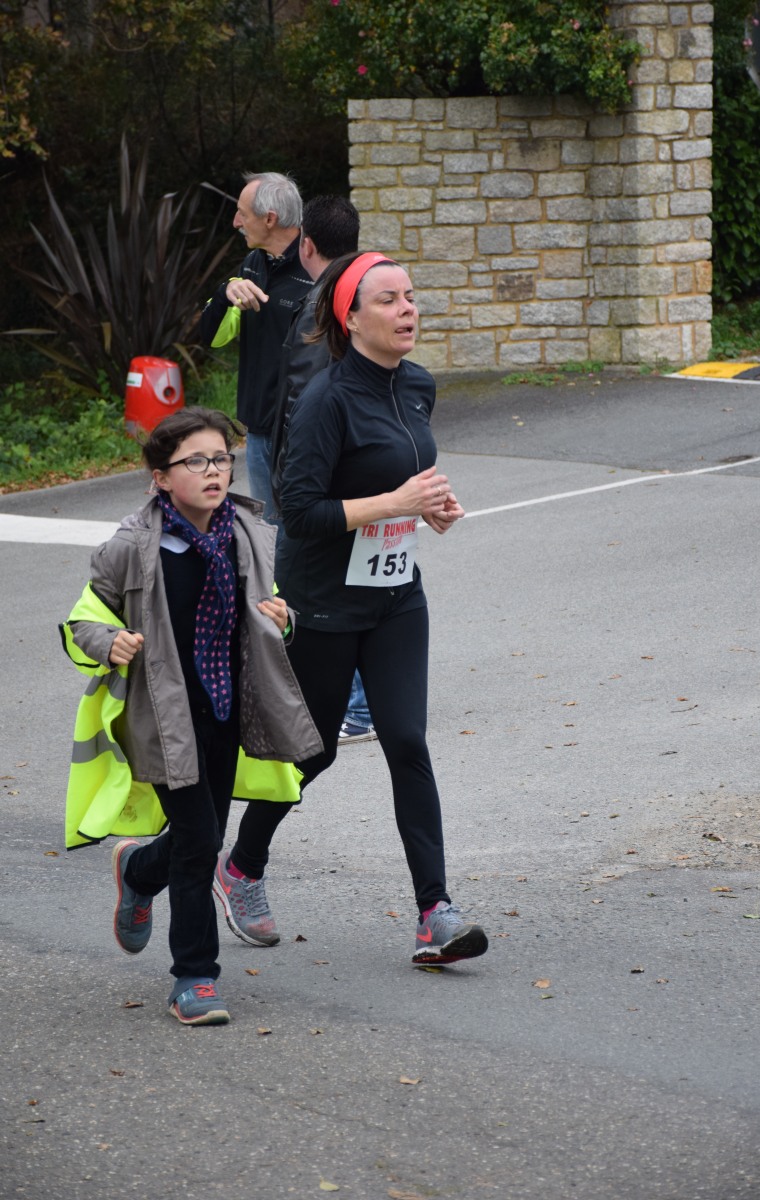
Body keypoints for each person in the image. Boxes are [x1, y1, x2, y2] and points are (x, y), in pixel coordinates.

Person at [217, 251, 489, 967]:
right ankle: (239, 866)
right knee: (310, 752)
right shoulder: (325, 401)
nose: (408, 309)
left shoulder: (417, 385)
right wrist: (394, 501)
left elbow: (403, 471)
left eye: (411, 296)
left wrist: (427, 506)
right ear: (352, 317)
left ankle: (435, 912)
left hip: (395, 598)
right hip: (323, 602)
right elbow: (301, 512)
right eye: (389, 300)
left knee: (406, 740)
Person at [60, 407, 321, 1025]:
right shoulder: (131, 548)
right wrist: (108, 642)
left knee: (196, 838)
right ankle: (195, 977)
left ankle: (139, 868)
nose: (214, 471)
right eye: (196, 461)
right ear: (160, 478)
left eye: (222, 458)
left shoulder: (248, 534)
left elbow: (270, 610)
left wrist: (283, 619)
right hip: (162, 717)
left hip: (227, 709)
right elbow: (81, 621)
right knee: (201, 842)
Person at [269, 193, 375, 746]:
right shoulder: (365, 296)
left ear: (306, 245)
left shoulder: (323, 303)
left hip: (323, 476)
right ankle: (361, 703)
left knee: (315, 588)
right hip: (361, 467)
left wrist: (291, 480)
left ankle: (351, 708)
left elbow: (303, 400)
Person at [198, 172, 311, 512]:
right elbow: (212, 338)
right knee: (268, 529)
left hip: (305, 431)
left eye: (242, 214)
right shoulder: (253, 263)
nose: (236, 223)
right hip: (260, 430)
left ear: (270, 219)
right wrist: (225, 293)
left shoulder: (317, 267)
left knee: (304, 526)